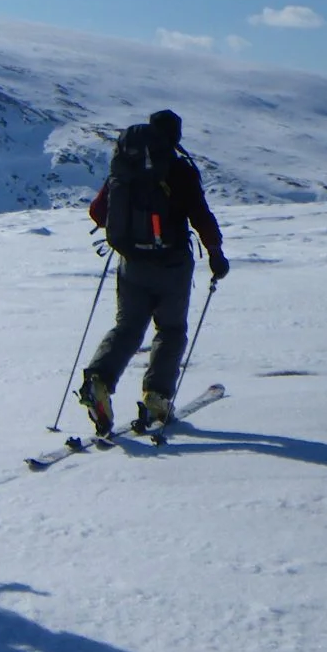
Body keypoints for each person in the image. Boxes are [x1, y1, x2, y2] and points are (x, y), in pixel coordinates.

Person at [78, 108, 228, 437]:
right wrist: (216, 254)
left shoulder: (125, 167)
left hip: (131, 262)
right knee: (171, 330)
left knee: (128, 327)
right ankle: (157, 398)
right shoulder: (179, 170)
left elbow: (97, 212)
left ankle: (99, 380)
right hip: (172, 265)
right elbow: (200, 215)